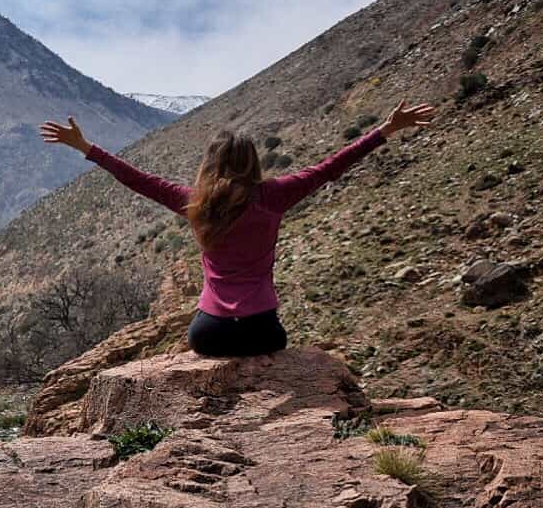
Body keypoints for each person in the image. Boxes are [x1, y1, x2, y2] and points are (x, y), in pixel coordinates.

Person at [39, 101, 435, 358]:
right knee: (275, 345)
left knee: (204, 341)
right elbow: (331, 167)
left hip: (209, 335)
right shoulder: (275, 195)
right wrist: (383, 131)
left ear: (211, 163)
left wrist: (88, 149)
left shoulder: (195, 201)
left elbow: (138, 180)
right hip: (263, 332)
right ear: (253, 162)